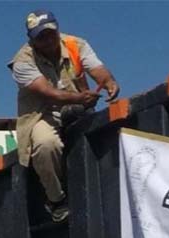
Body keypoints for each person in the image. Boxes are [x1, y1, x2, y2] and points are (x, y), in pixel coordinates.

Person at [9, 9, 120, 222]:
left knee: (102, 132)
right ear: (32, 40)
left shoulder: (75, 44)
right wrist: (79, 99)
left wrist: (108, 82)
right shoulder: (22, 61)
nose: (47, 39)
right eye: (41, 36)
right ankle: (56, 199)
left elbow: (96, 68)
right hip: (43, 112)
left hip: (77, 107)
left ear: (57, 29)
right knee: (45, 144)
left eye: (50, 33)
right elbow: (48, 93)